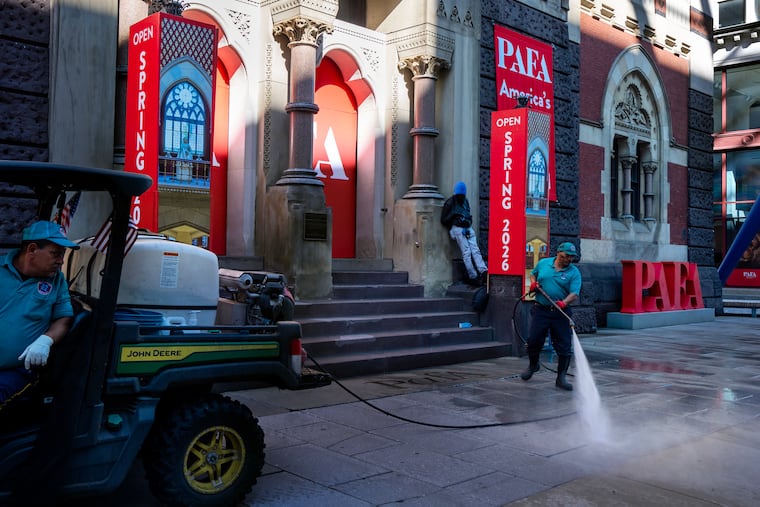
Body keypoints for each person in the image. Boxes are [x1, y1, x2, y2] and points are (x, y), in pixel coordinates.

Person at [0, 220, 80, 411]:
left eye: (62, 255)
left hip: (17, 370)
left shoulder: (56, 280)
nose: (61, 260)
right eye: (56, 254)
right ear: (32, 249)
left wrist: (46, 340)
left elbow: (64, 318)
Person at [520, 241, 581, 391]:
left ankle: (561, 378)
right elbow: (533, 275)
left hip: (560, 313)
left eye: (572, 257)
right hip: (541, 310)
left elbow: (574, 294)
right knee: (533, 341)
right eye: (566, 255)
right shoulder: (543, 263)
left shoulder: (574, 272)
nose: (569, 259)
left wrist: (563, 303)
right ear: (559, 252)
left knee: (564, 346)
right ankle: (533, 365)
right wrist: (533, 284)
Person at [441, 181, 488, 285]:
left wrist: (466, 222)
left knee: (474, 250)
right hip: (457, 228)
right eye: (460, 195)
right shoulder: (451, 202)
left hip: (466, 227)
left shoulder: (463, 201)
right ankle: (473, 275)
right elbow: (444, 220)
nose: (461, 197)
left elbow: (468, 215)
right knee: (467, 252)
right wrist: (455, 218)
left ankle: (483, 271)